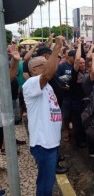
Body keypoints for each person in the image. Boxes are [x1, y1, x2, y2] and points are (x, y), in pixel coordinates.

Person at [22, 36, 64, 196]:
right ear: (34, 70)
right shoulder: (31, 84)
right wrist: (57, 48)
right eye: (44, 65)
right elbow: (47, 75)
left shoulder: (46, 86)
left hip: (51, 141)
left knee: (48, 180)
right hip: (43, 144)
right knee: (46, 184)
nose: (50, 67)